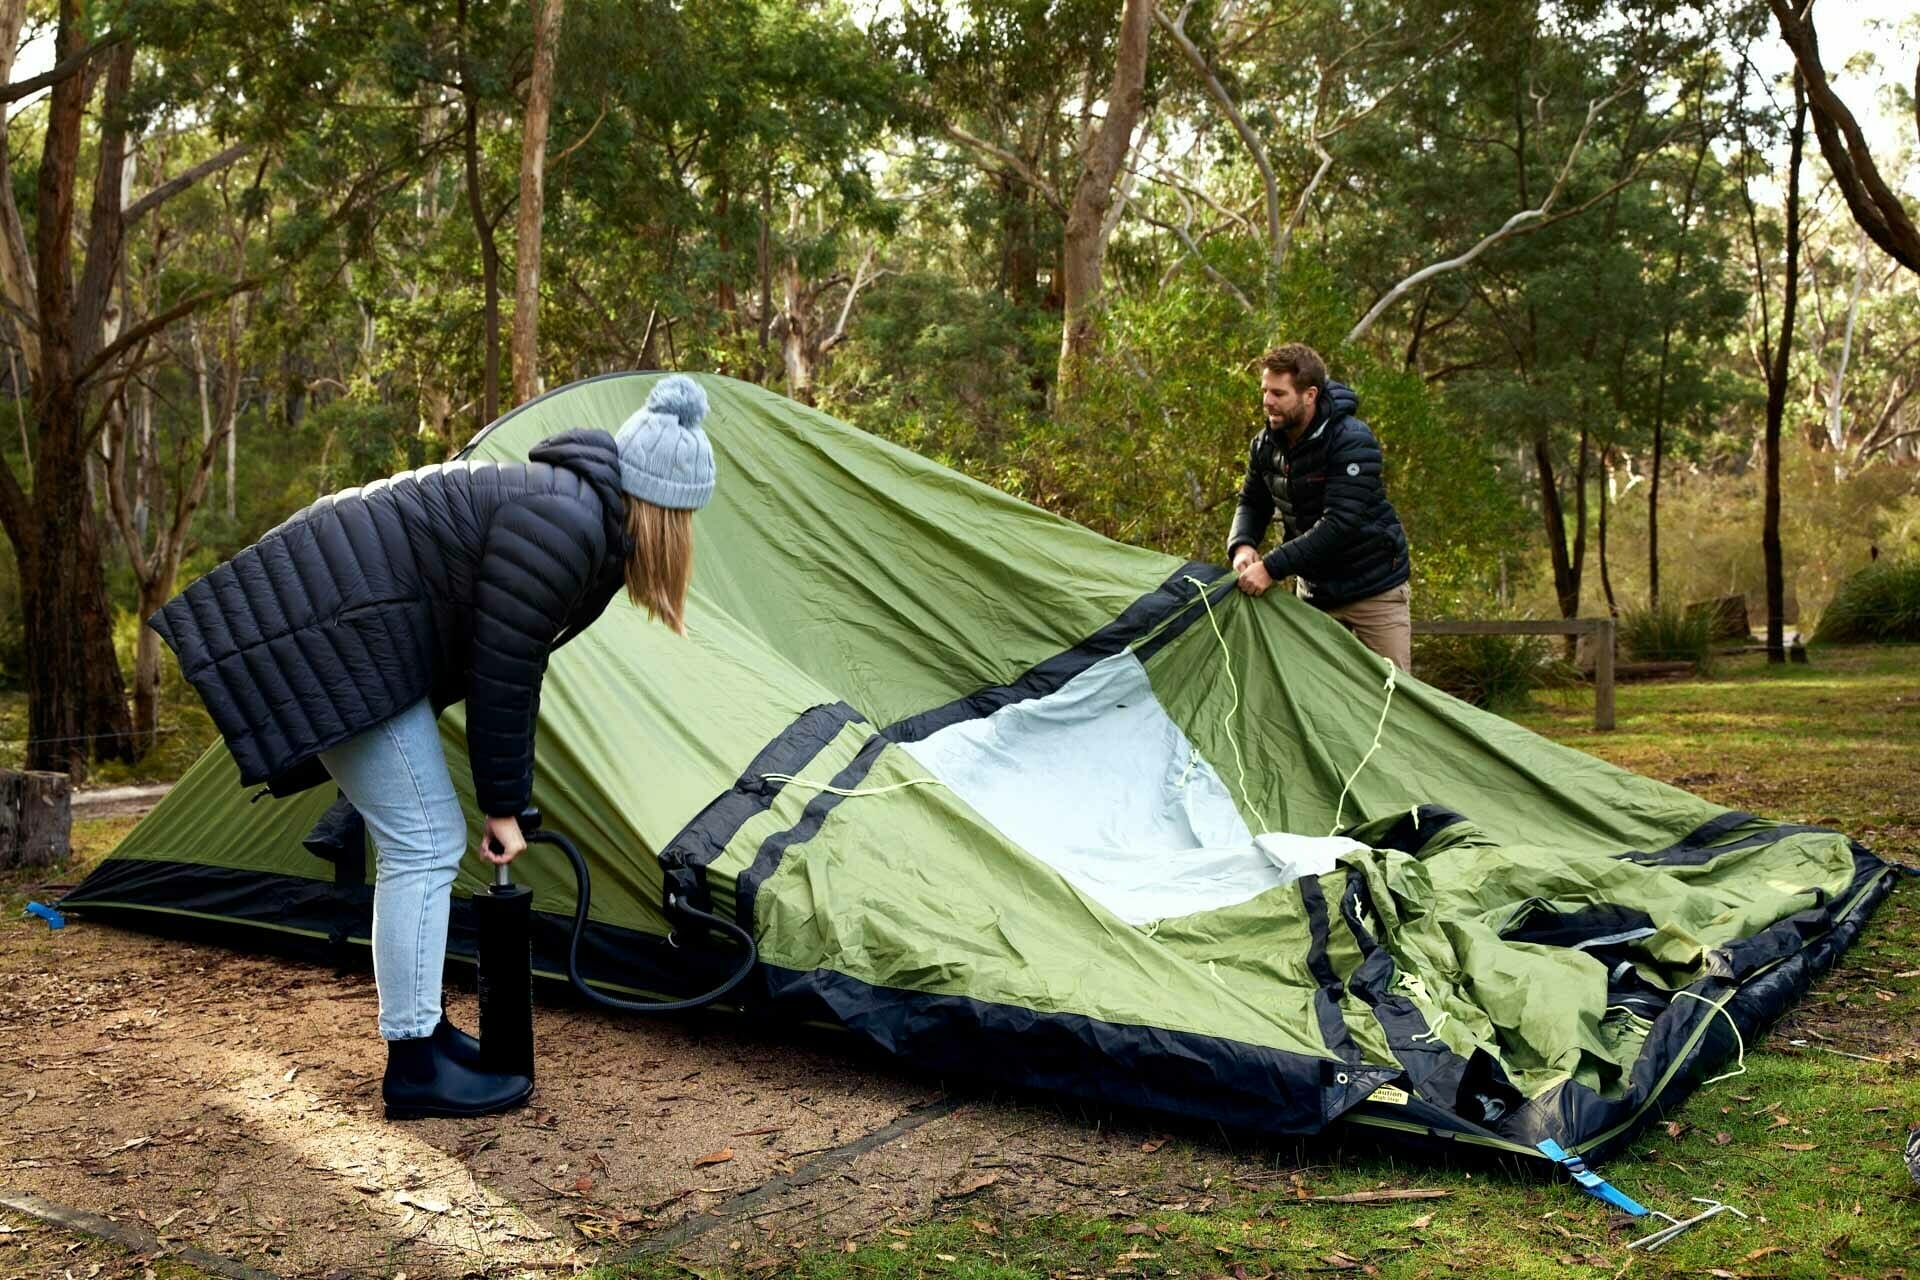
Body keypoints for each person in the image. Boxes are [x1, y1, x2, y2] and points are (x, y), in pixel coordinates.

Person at [150, 375, 717, 1120]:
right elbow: (503, 667)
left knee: (420, 839)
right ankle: (414, 1065)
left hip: (354, 627)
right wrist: (504, 807)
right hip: (343, 628)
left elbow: (514, 659)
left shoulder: (574, 509)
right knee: (423, 842)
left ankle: (426, 1033)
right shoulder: (569, 520)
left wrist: (506, 798)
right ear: (668, 510)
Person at [1226, 343, 1412, 672]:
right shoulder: (1265, 443)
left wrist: (1270, 568)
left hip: (1373, 591)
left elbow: (1340, 523)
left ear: (1309, 395)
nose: (1267, 401)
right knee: (1317, 704)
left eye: (1278, 393)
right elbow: (1253, 501)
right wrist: (1242, 545)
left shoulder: (1352, 440)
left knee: (1392, 701)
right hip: (1315, 595)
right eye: (1265, 390)